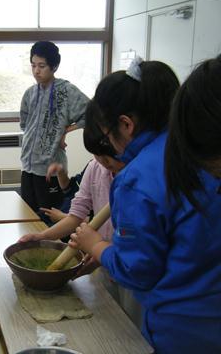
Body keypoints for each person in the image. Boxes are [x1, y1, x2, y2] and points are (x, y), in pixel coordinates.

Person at [66, 57, 221, 354]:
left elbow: (137, 271)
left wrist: (96, 245)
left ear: (125, 124)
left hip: (181, 328)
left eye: (108, 135)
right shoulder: (195, 149)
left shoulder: (137, 179)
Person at [18, 111, 143, 327]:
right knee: (108, 321)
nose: (103, 162)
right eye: (96, 155)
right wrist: (42, 236)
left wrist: (98, 247)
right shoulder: (95, 169)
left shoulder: (137, 178)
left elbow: (140, 237)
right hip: (103, 261)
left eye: (108, 156)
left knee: (133, 328)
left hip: (132, 268)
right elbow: (76, 216)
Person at [20, 41, 89, 219]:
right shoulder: (30, 93)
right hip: (28, 166)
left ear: (54, 66)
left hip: (51, 169)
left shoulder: (66, 91)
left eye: (41, 66)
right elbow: (25, 124)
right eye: (33, 65)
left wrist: (65, 130)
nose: (36, 71)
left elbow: (91, 113)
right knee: (27, 213)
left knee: (48, 216)